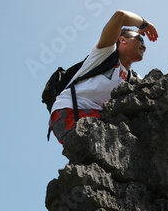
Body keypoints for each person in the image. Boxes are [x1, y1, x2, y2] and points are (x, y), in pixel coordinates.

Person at [49, 10, 158, 144]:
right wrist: (144, 24)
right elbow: (120, 16)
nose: (144, 46)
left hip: (96, 118)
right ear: (122, 40)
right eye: (139, 39)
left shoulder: (134, 79)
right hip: (69, 111)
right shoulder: (105, 54)